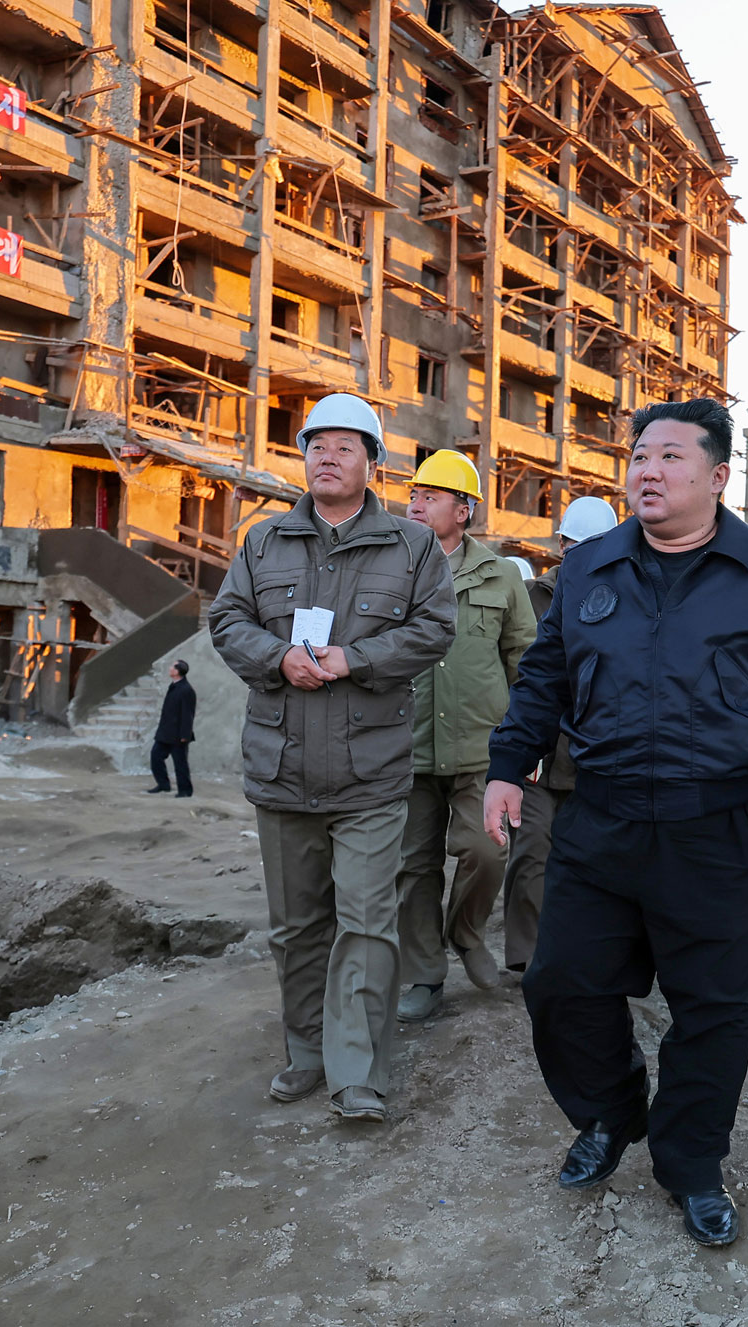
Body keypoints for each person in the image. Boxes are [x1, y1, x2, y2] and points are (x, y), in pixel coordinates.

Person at [482, 398, 748, 1248]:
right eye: (638, 457)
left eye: (669, 456)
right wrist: (508, 766)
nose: (647, 471)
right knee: (561, 983)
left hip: (721, 823)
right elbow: (543, 680)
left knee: (711, 1007)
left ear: (719, 475)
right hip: (603, 815)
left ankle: (691, 1163)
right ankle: (613, 1110)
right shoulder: (591, 569)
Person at [208, 392, 456, 1124]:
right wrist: (278, 656)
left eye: (345, 446)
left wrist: (356, 658)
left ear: (373, 462)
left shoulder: (411, 547)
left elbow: (435, 630)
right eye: (316, 443)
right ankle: (308, 1053)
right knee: (295, 926)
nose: (326, 455)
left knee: (367, 922)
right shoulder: (264, 542)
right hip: (282, 767)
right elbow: (225, 618)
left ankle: (359, 1073)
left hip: (370, 772)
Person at [394, 449, 537, 1021]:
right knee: (412, 866)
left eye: (430, 496)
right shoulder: (393, 570)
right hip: (406, 745)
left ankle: (467, 933)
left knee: (486, 850)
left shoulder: (501, 575)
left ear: (464, 509)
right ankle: (424, 977)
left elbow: (525, 661)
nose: (416, 505)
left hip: (483, 746)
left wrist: (524, 740)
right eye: (414, 496)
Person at [501, 495, 619, 979]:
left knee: (591, 861)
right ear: (562, 547)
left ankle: (583, 952)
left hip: (597, 755)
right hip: (537, 753)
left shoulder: (623, 598)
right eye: (576, 547)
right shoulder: (532, 599)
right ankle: (529, 958)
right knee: (531, 853)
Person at [144, 659, 196, 797]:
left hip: (178, 735)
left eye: (172, 666)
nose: (169, 668)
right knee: (156, 757)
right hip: (165, 733)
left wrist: (185, 734)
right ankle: (163, 785)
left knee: (180, 764)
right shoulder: (173, 686)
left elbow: (188, 714)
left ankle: (185, 791)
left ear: (177, 671)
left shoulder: (186, 690)